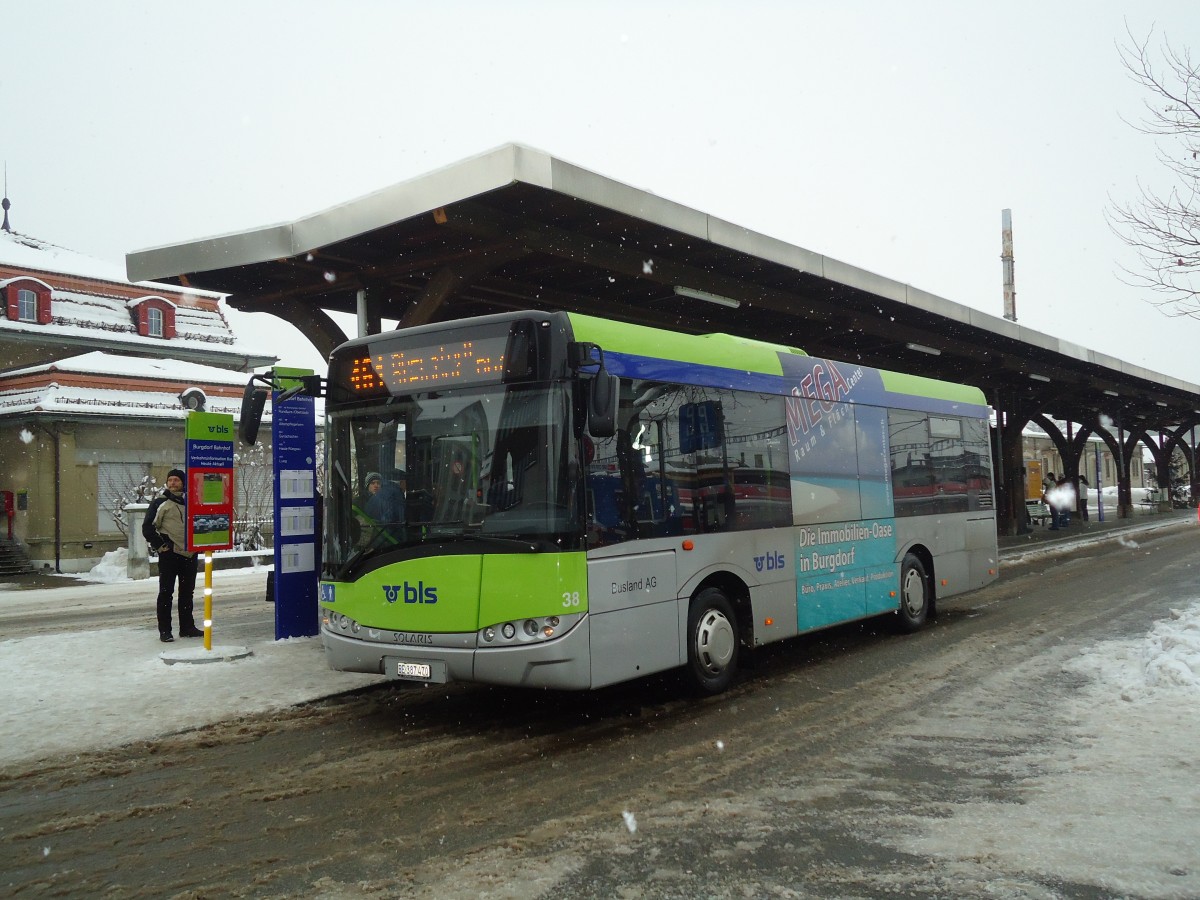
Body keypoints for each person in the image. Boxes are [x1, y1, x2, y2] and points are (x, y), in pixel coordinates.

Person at [142, 468, 201, 642]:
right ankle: (165, 631)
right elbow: (147, 527)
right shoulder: (160, 503)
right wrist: (161, 546)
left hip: (189, 554)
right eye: (170, 480)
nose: (173, 483)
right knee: (166, 593)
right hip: (169, 555)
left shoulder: (191, 501)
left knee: (187, 593)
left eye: (176, 480)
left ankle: (187, 627)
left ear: (183, 482)